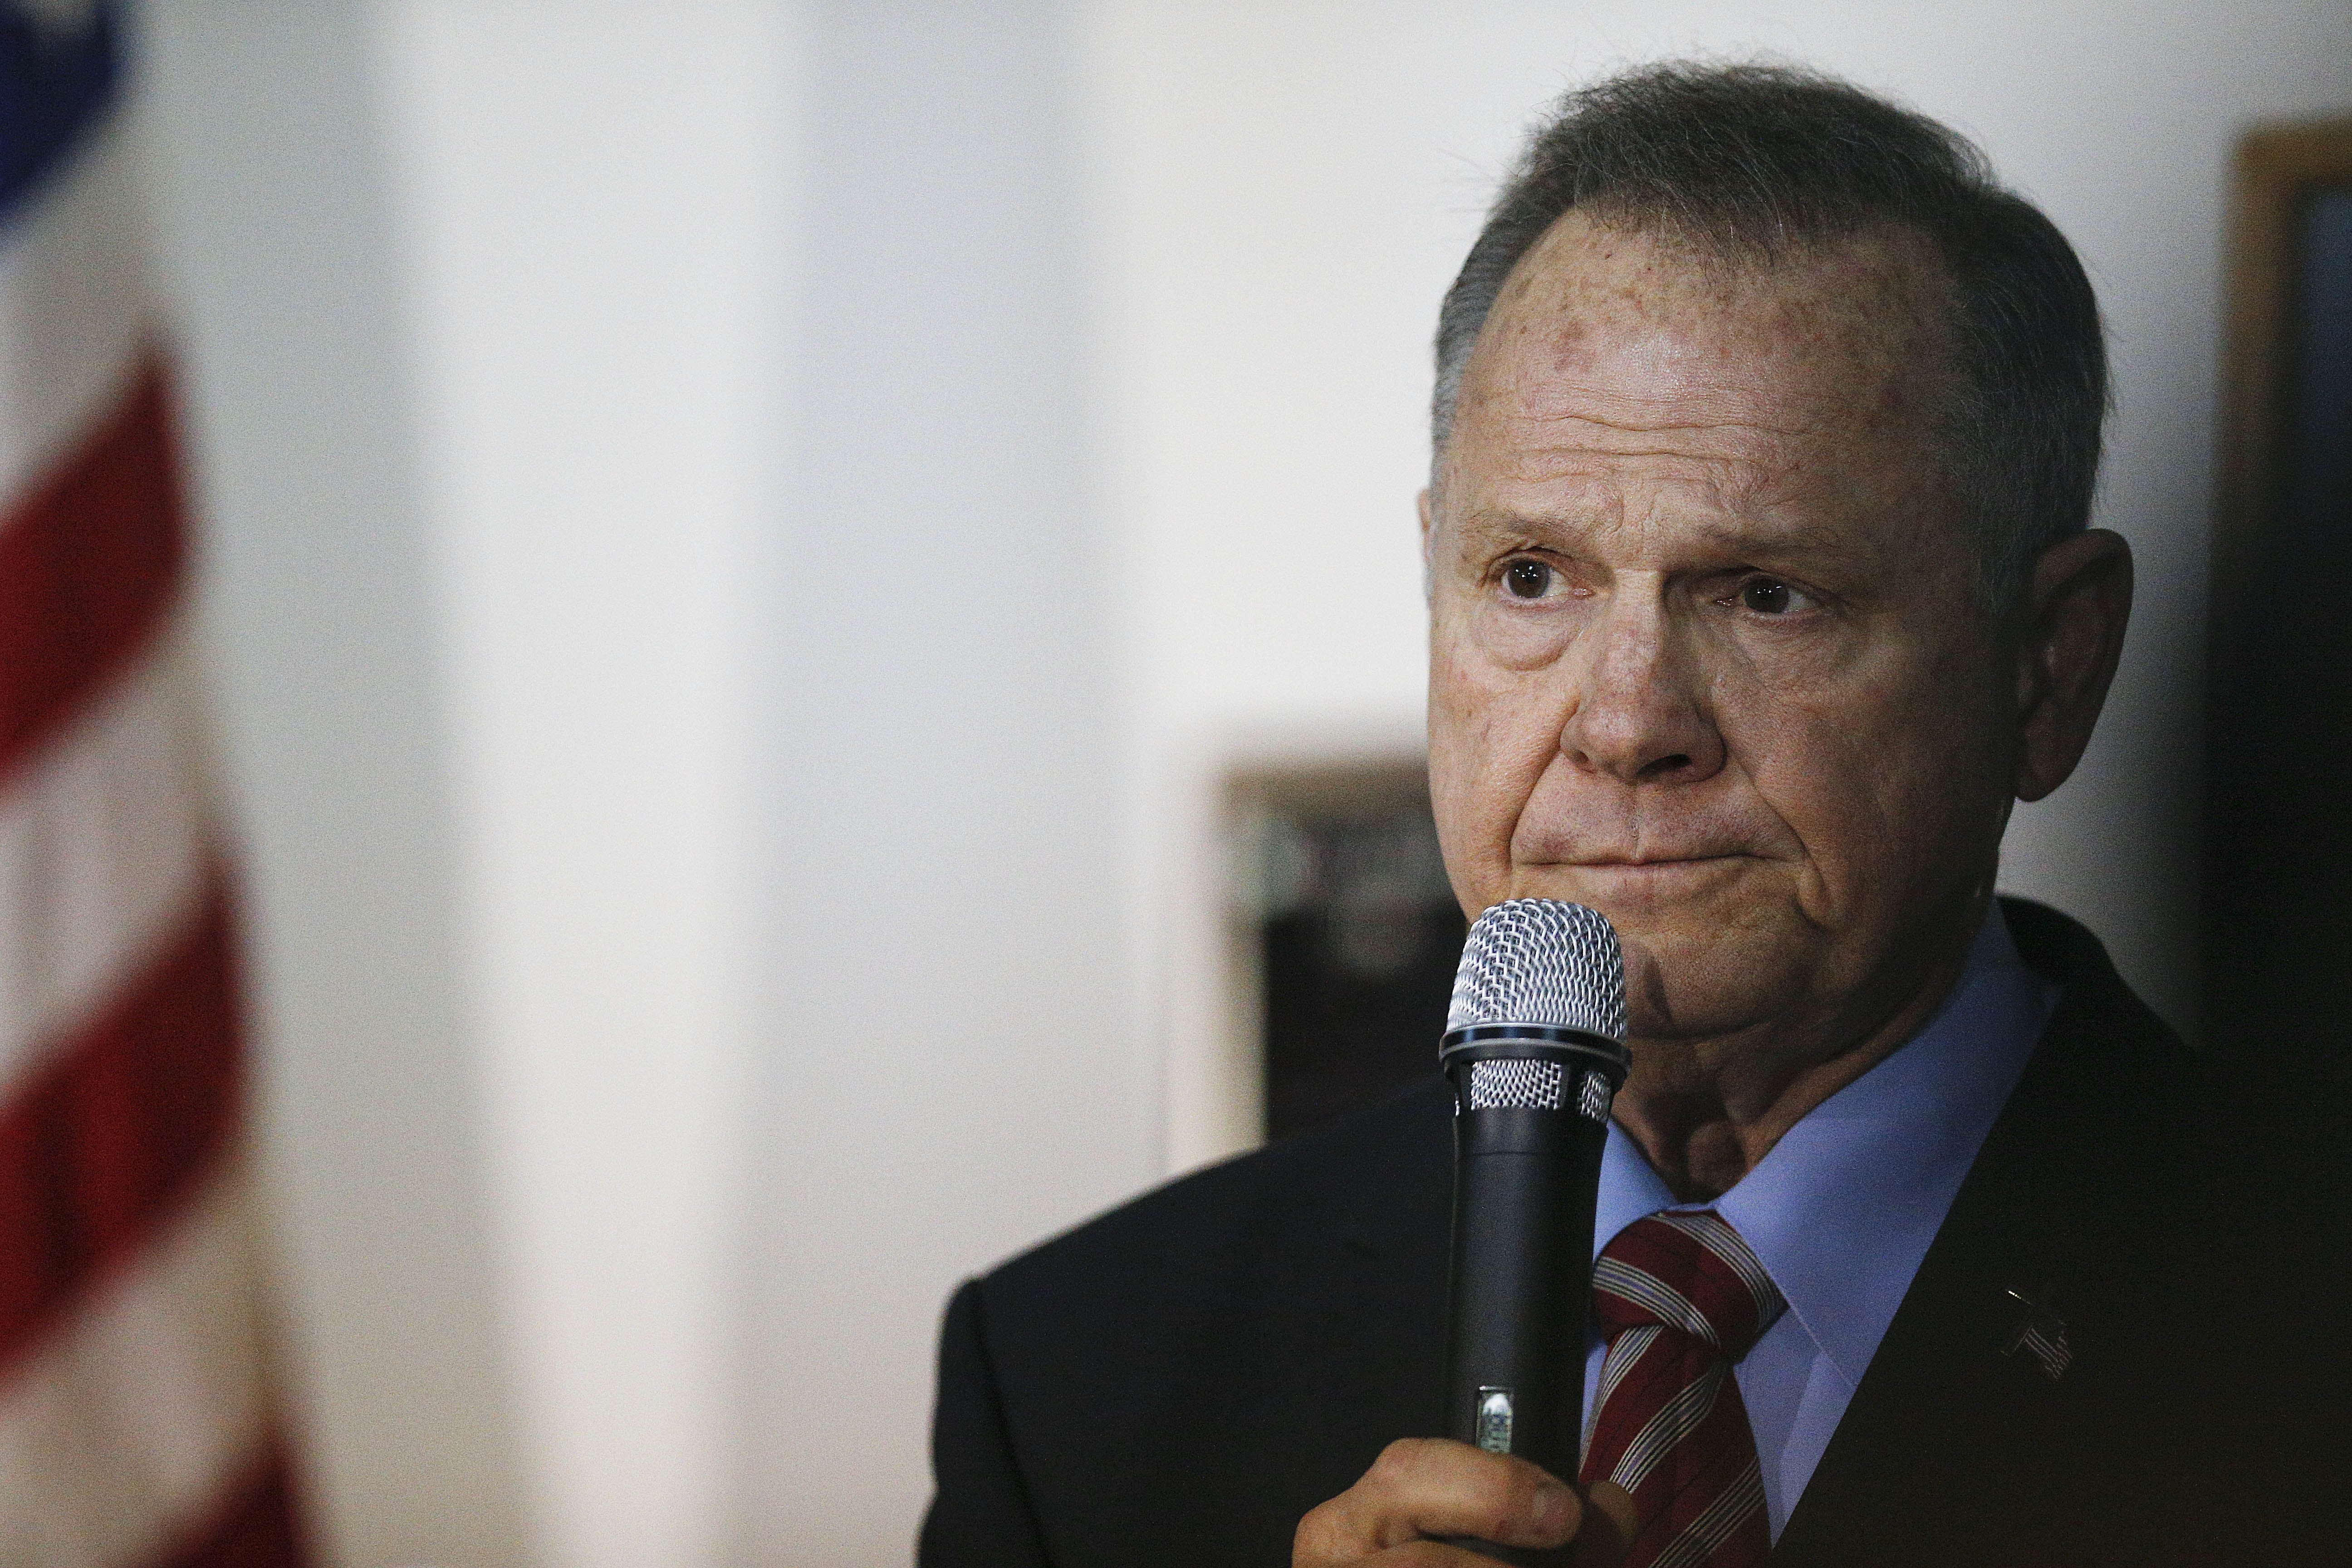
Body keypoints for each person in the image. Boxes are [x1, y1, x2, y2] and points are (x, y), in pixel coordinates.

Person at [917, 63, 2352, 1567]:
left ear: (2049, 667)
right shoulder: (1082, 1378)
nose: (1624, 723)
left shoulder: (2290, 1311)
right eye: (1532, 576)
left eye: (1766, 593)